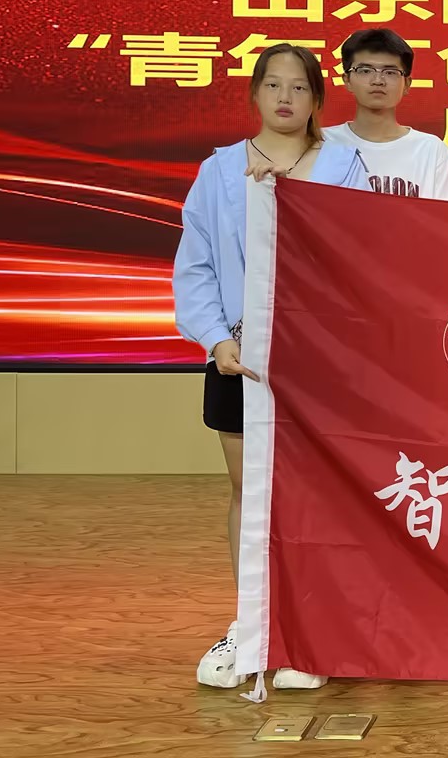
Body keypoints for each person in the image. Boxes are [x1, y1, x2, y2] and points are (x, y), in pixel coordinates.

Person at [173, 43, 369, 692]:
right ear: (254, 93)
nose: (285, 97)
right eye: (273, 85)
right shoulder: (220, 170)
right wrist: (214, 339)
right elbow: (196, 264)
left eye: (299, 87)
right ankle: (251, 622)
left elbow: (361, 260)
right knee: (246, 488)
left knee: (310, 494)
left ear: (317, 99)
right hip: (239, 357)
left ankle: (308, 630)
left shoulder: (343, 166)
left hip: (317, 359)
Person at [322, 27, 448, 201]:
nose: (378, 81)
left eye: (390, 72)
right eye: (365, 71)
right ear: (347, 80)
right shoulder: (322, 143)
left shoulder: (431, 150)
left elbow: (445, 216)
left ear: (407, 84)